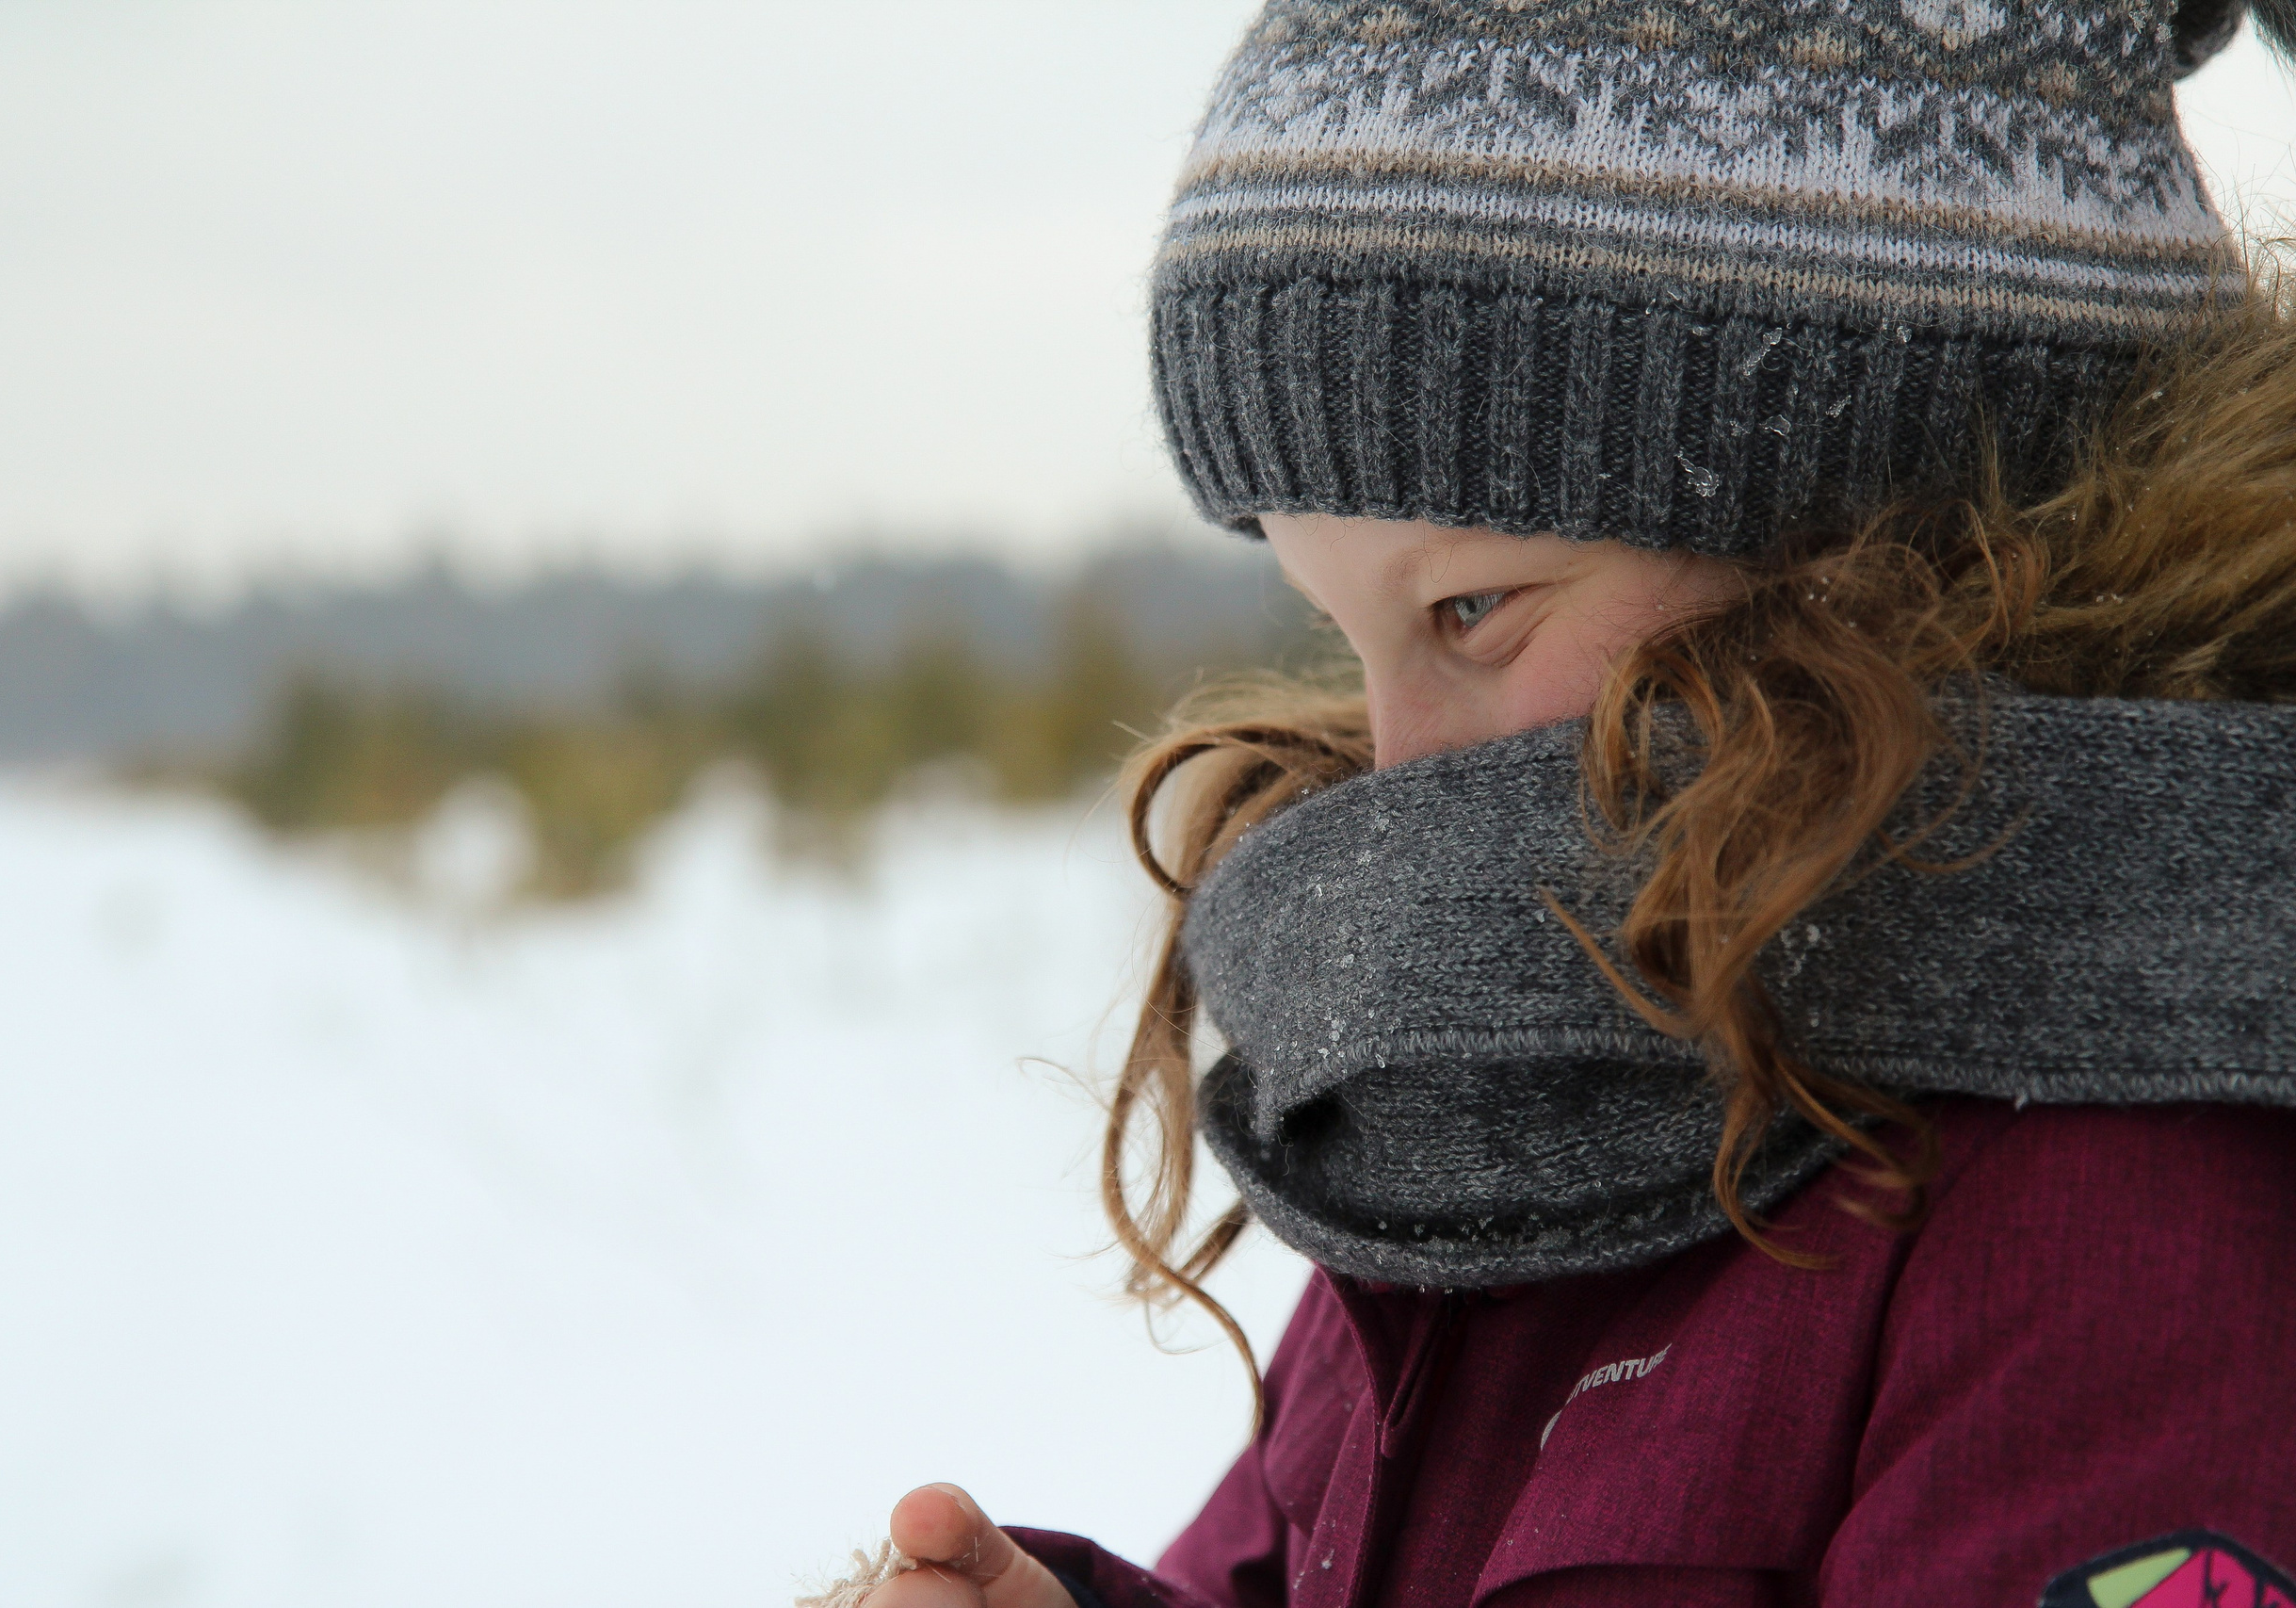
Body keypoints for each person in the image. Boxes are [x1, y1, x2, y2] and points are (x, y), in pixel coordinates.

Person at [854, 0, 2296, 1603]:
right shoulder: (1533, 1048)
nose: (1401, 764)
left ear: (1881, 520)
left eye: (1474, 608)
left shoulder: (2127, 1207)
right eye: (1343, 632)